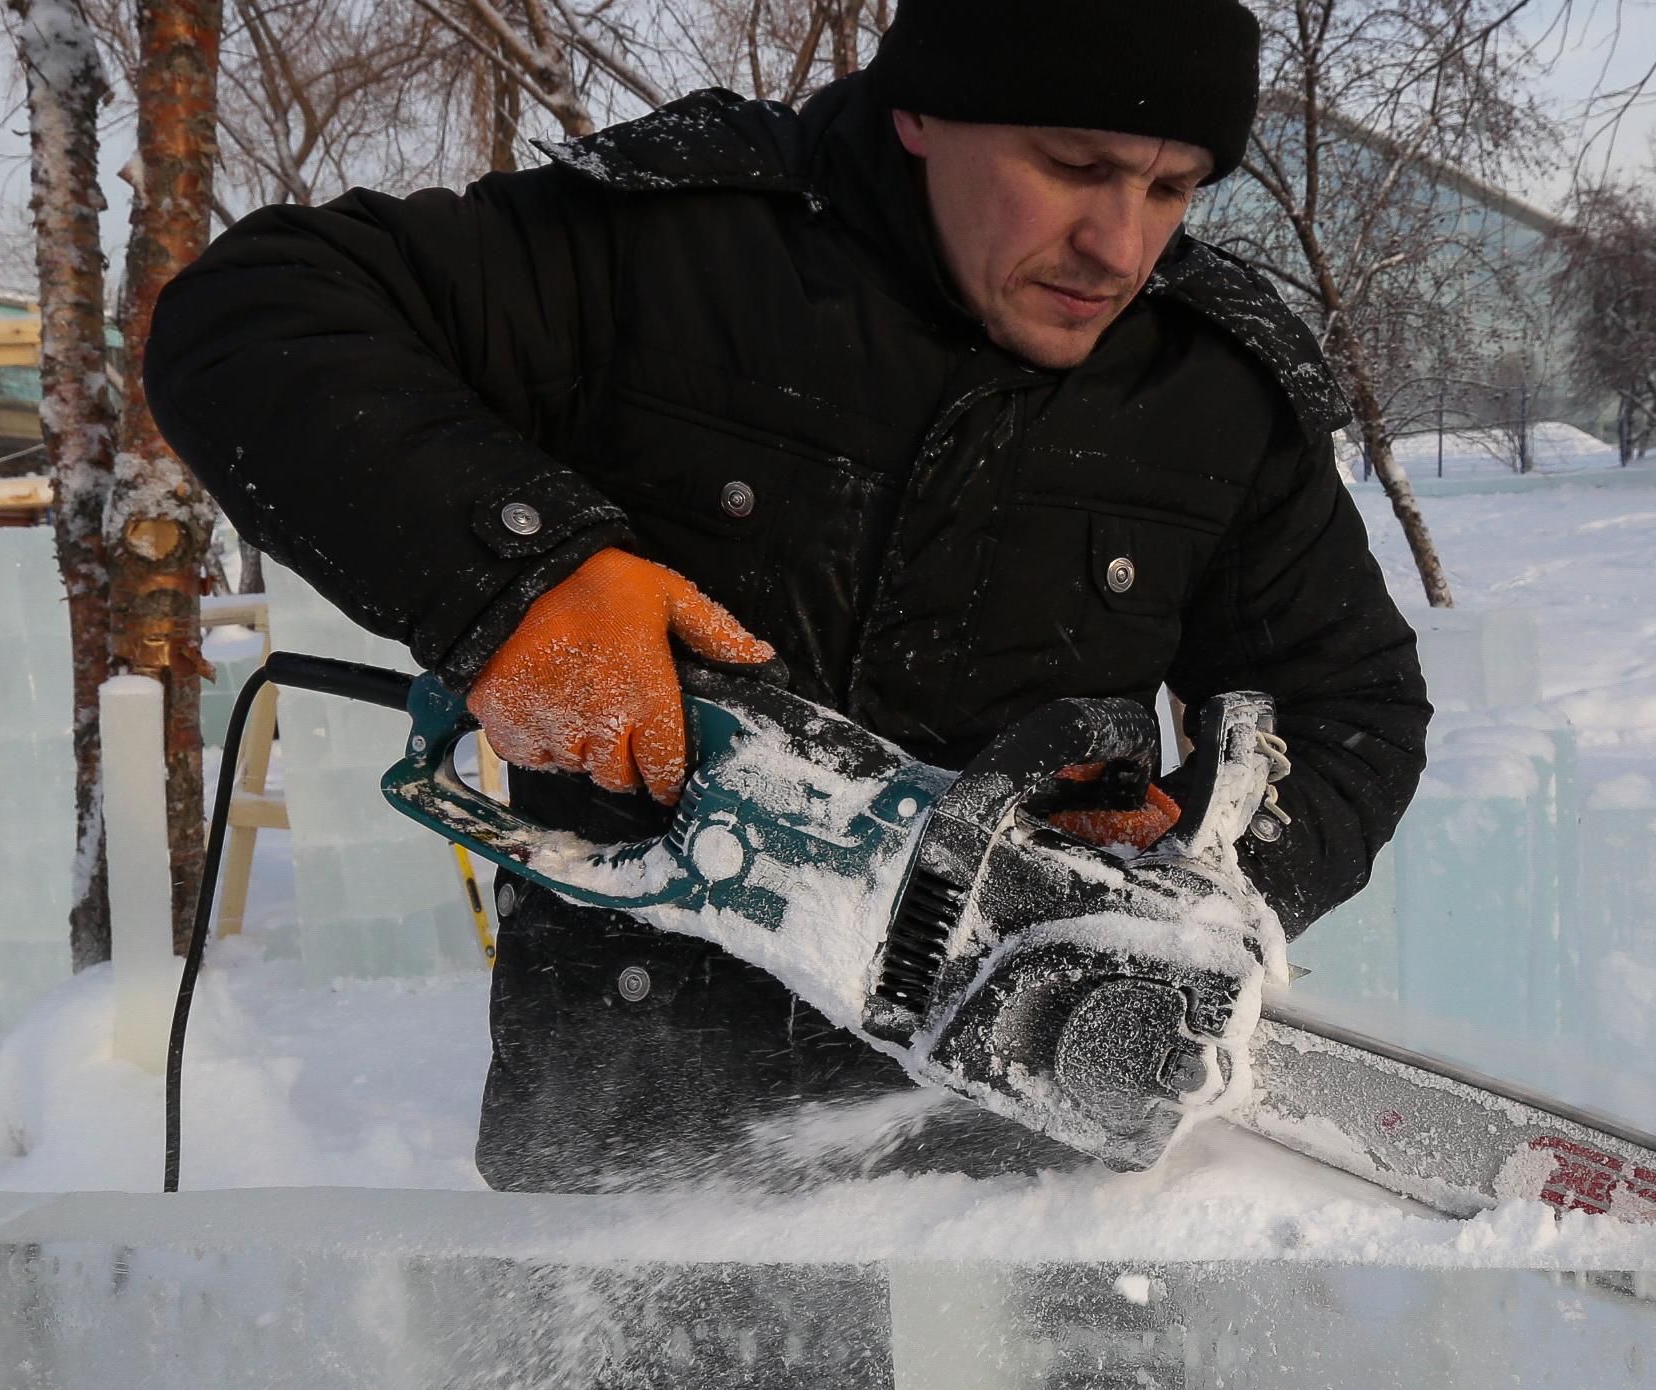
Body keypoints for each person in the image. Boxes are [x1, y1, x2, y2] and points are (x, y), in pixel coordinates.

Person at [146, 0, 1430, 1193]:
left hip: (1037, 1179)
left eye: (1170, 187)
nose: (1121, 245)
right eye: (1075, 167)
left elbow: (1352, 704)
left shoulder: (1211, 394)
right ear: (922, 108)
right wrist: (522, 574)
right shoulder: (670, 254)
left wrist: (1195, 868)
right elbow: (255, 316)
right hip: (633, 1142)